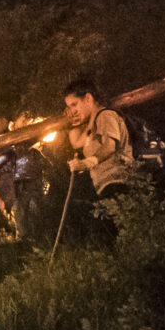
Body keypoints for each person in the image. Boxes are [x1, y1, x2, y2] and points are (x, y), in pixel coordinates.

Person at [59, 79, 142, 238]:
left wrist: (88, 162)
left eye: (74, 104)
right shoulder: (91, 127)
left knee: (116, 235)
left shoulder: (106, 115)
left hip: (119, 182)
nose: (71, 110)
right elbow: (76, 141)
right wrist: (73, 121)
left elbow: (109, 146)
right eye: (68, 107)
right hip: (105, 185)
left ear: (88, 99)